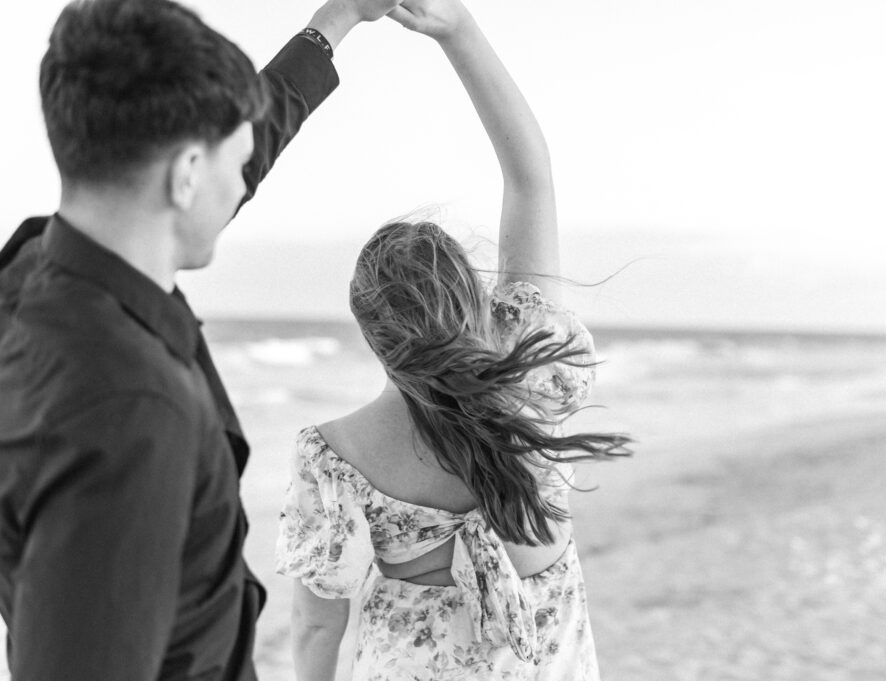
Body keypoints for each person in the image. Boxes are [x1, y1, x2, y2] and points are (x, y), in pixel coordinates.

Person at [0, 0, 401, 679]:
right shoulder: (132, 412)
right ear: (186, 174)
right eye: (235, 160)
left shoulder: (36, 270)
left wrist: (336, 22)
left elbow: (251, 126)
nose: (244, 177)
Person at [275, 1, 632, 679]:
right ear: (474, 296)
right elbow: (531, 172)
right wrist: (458, 30)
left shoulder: (336, 456)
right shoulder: (531, 369)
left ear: (377, 340)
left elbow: (316, 626)